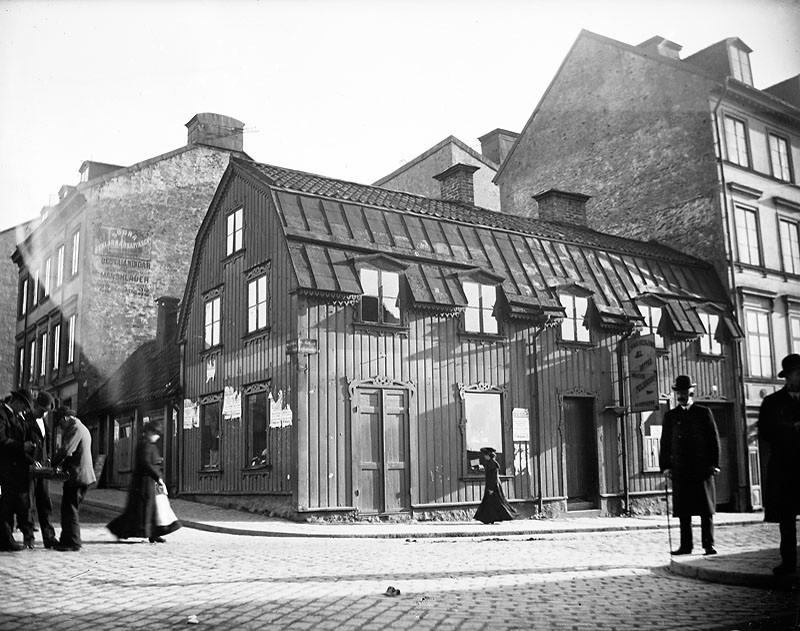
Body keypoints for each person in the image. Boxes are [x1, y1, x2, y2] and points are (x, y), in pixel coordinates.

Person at [660, 375, 720, 556]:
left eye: (684, 392)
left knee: (705, 509)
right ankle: (686, 546)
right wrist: (666, 467)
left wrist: (714, 464)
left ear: (691, 392)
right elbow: (665, 444)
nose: (681, 395)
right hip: (681, 469)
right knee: (684, 510)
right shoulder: (671, 416)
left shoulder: (703, 412)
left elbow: (713, 440)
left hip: (701, 469)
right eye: (678, 392)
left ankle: (708, 545)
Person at [758, 353, 800, 575]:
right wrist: (791, 427)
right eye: (798, 373)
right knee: (787, 520)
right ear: (788, 377)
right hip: (785, 469)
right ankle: (788, 562)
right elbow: (764, 432)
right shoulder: (772, 403)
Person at [107, 421, 180, 543]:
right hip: (143, 483)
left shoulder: (149, 444)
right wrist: (158, 477)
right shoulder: (144, 445)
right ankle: (118, 530)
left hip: (149, 482)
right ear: (149, 432)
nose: (158, 436)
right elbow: (146, 463)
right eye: (156, 434)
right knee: (140, 511)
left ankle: (154, 534)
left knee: (154, 509)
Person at [50, 406, 95, 551]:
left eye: (60, 424)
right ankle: (66, 540)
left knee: (70, 509)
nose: (61, 427)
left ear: (65, 418)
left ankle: (73, 542)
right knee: (68, 507)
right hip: (81, 475)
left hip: (78, 475)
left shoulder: (75, 429)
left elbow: (66, 450)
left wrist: (52, 463)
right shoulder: (81, 427)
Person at [0, 390, 36, 551]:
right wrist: (22, 447)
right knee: (5, 505)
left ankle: (8, 538)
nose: (24, 410)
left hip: (15, 469)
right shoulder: (1, 414)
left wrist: (32, 461)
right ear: (17, 402)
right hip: (4, 469)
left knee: (17, 504)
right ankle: (6, 540)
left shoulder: (14, 417)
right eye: (24, 406)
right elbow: (1, 441)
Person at [26, 391, 58, 549]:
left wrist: (49, 460)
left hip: (43, 469)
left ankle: (49, 538)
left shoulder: (45, 423)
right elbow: (23, 446)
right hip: (30, 469)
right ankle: (29, 538)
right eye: (42, 410)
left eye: (46, 412)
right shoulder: (26, 421)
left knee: (45, 503)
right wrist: (32, 461)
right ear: (36, 405)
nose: (44, 414)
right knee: (29, 504)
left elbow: (48, 444)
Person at [474, 447, 516, 524]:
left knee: (496, 503)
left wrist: (491, 488)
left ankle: (499, 517)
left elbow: (493, 477)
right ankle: (489, 518)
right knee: (491, 502)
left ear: (489, 455)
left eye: (485, 455)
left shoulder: (492, 464)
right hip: (491, 485)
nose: (484, 456)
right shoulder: (490, 463)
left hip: (493, 486)